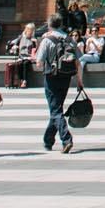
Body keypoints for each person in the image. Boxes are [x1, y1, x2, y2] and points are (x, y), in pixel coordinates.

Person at [36, 13, 84, 153]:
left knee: (55, 110)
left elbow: (39, 63)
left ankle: (66, 139)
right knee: (57, 109)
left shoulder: (47, 40)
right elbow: (78, 63)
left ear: (50, 25)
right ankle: (48, 141)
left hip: (51, 77)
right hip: (66, 77)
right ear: (61, 24)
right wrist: (80, 81)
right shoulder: (70, 39)